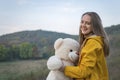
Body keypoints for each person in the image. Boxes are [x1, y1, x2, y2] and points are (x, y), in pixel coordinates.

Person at [61, 12, 110, 80]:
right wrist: (79, 59)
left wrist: (63, 68)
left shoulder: (92, 43)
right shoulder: (89, 42)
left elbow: (83, 72)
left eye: (88, 23)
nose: (83, 25)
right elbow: (89, 67)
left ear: (94, 26)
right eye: (82, 22)